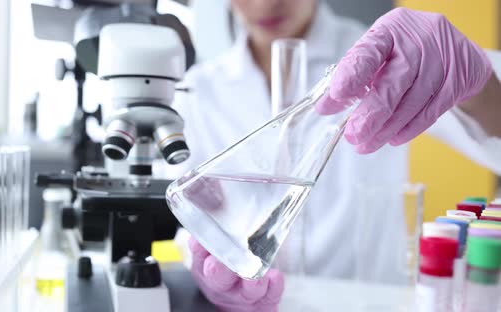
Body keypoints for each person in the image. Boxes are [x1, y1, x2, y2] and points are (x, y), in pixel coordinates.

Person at [154, 1, 501, 311]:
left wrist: (483, 88)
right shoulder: (199, 91)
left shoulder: (391, 61)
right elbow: (190, 224)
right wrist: (207, 273)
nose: (265, 4)